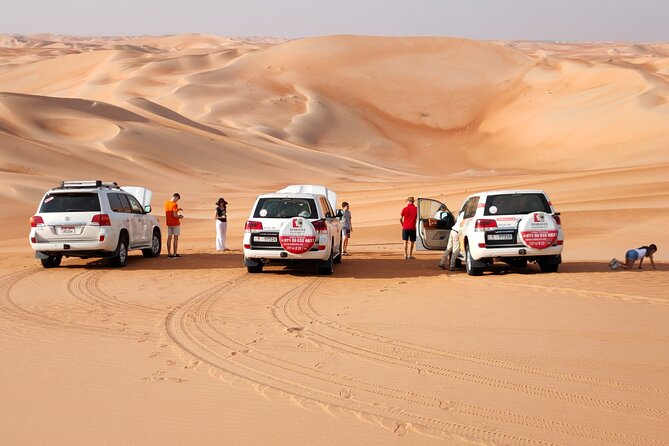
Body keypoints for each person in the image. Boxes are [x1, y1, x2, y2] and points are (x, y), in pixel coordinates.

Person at [164, 193, 183, 257]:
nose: (177, 201)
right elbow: (174, 215)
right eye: (177, 199)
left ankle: (169, 253)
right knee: (175, 238)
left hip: (169, 223)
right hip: (175, 223)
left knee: (169, 237)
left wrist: (177, 210)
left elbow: (171, 211)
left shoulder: (166, 203)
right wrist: (180, 216)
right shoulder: (175, 204)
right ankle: (175, 253)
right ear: (175, 197)